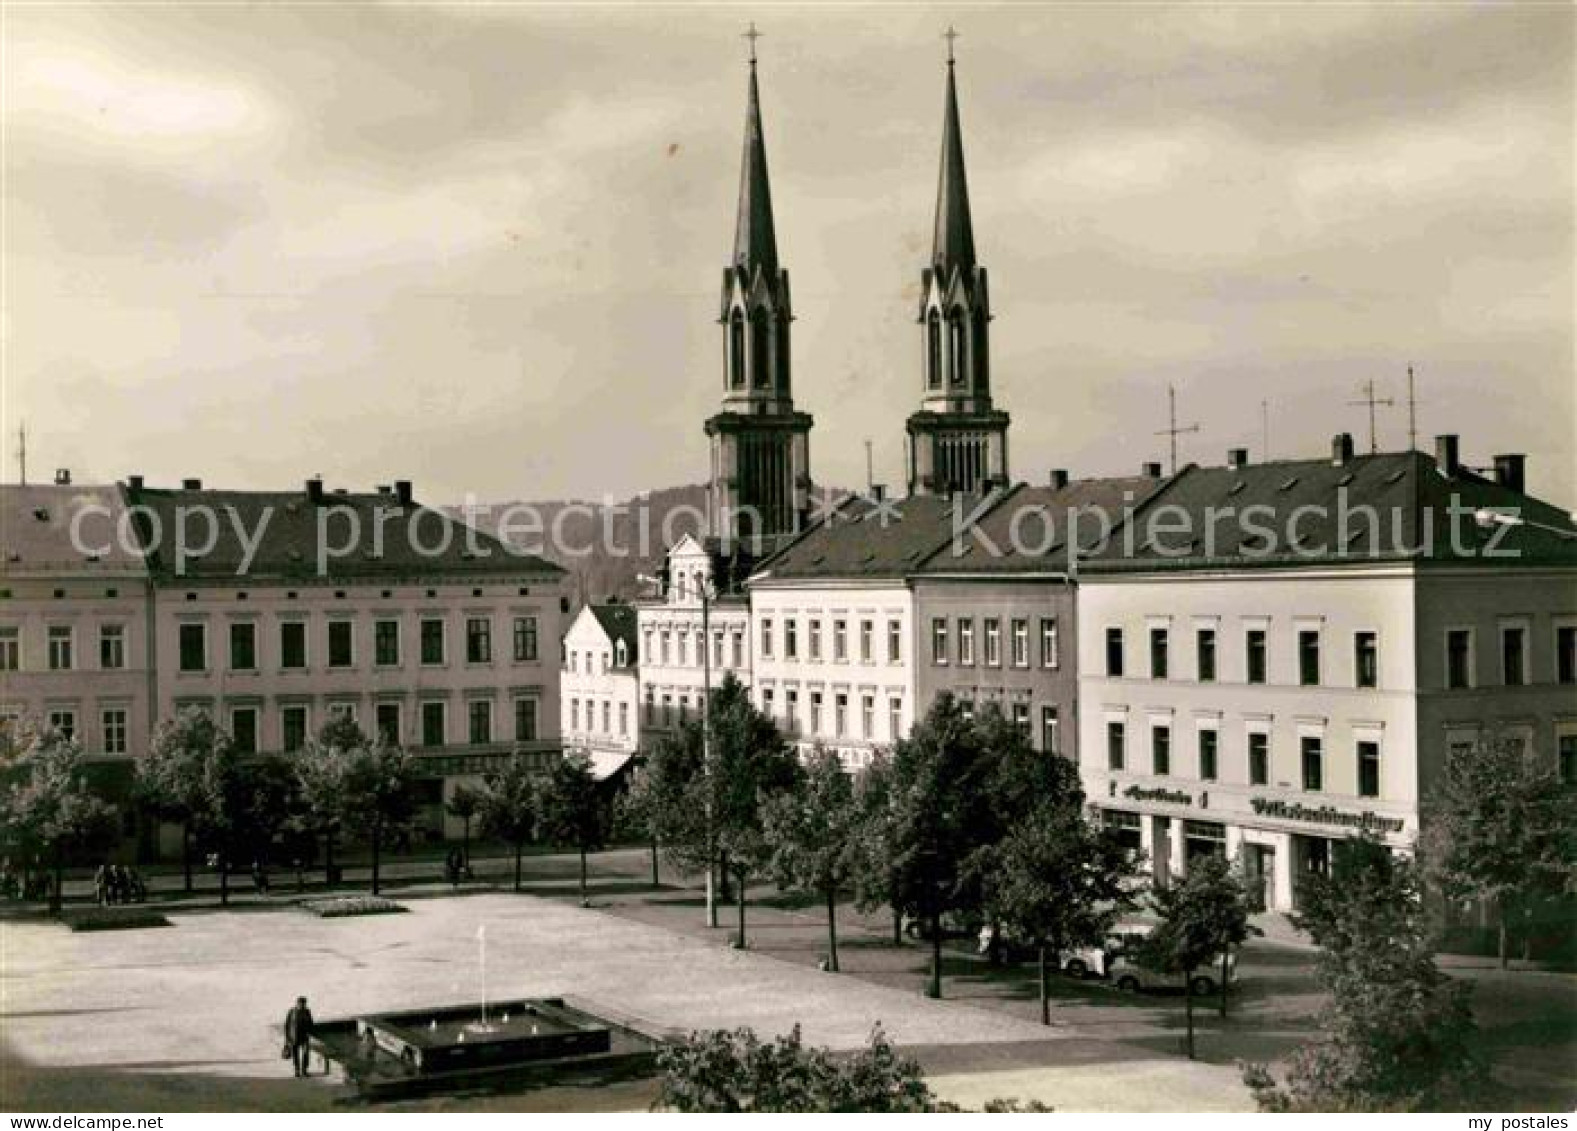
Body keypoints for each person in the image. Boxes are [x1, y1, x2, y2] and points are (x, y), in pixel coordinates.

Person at [283, 996, 314, 1077]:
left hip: (304, 1037)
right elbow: (287, 1025)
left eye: (303, 1003)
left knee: (306, 1054)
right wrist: (287, 1038)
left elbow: (311, 1023)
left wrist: (310, 1033)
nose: (302, 1005)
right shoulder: (292, 1011)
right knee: (295, 1055)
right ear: (297, 1003)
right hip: (294, 1037)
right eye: (300, 1003)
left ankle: (304, 1070)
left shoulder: (307, 1011)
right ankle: (297, 1071)